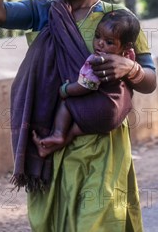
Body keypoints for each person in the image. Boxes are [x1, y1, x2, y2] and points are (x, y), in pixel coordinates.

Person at [0, 0, 157, 232]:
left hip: (102, 152)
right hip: (51, 148)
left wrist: (129, 68)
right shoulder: (45, 12)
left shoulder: (117, 22)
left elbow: (150, 80)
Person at [32, 9, 140, 158]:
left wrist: (66, 90)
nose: (100, 43)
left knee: (68, 102)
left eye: (109, 42)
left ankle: (58, 133)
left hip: (103, 109)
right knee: (75, 130)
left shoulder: (97, 61)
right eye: (97, 36)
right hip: (119, 112)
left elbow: (85, 86)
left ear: (125, 46)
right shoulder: (129, 56)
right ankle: (49, 148)